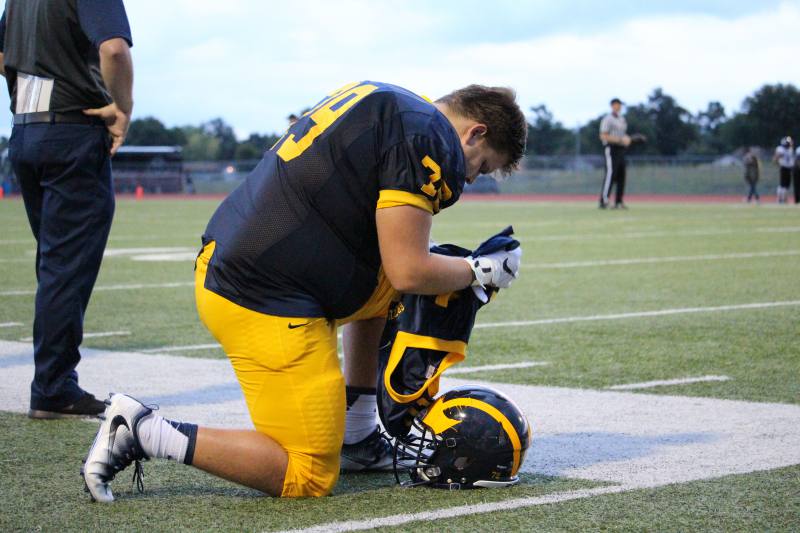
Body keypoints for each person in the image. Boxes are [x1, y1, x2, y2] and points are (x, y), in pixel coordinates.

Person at [82, 81, 528, 501]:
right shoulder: (429, 136)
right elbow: (410, 271)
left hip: (256, 267)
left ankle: (357, 433)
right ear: (475, 133)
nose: (470, 179)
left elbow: (392, 264)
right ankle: (142, 430)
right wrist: (477, 271)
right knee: (308, 473)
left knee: (399, 276)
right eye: (482, 166)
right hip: (262, 297)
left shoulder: (395, 103)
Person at [0, 0, 133, 419]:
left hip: (25, 133)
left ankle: (52, 382)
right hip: (72, 134)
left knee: (54, 263)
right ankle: (54, 387)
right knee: (65, 267)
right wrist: (122, 107)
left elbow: (4, 55)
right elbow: (114, 50)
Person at [599, 97, 630, 209]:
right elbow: (603, 135)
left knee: (622, 175)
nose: (620, 106)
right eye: (618, 104)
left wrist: (628, 139)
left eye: (620, 105)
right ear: (613, 105)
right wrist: (620, 140)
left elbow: (622, 135)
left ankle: (618, 201)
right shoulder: (608, 119)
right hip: (611, 149)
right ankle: (604, 200)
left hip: (621, 149)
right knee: (610, 174)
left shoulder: (622, 119)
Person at [772, 136, 795, 204]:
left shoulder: (788, 149)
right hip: (784, 167)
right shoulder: (782, 149)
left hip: (787, 168)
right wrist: (777, 164)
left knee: (785, 185)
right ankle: (781, 199)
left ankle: (782, 199)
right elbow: (776, 158)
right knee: (783, 185)